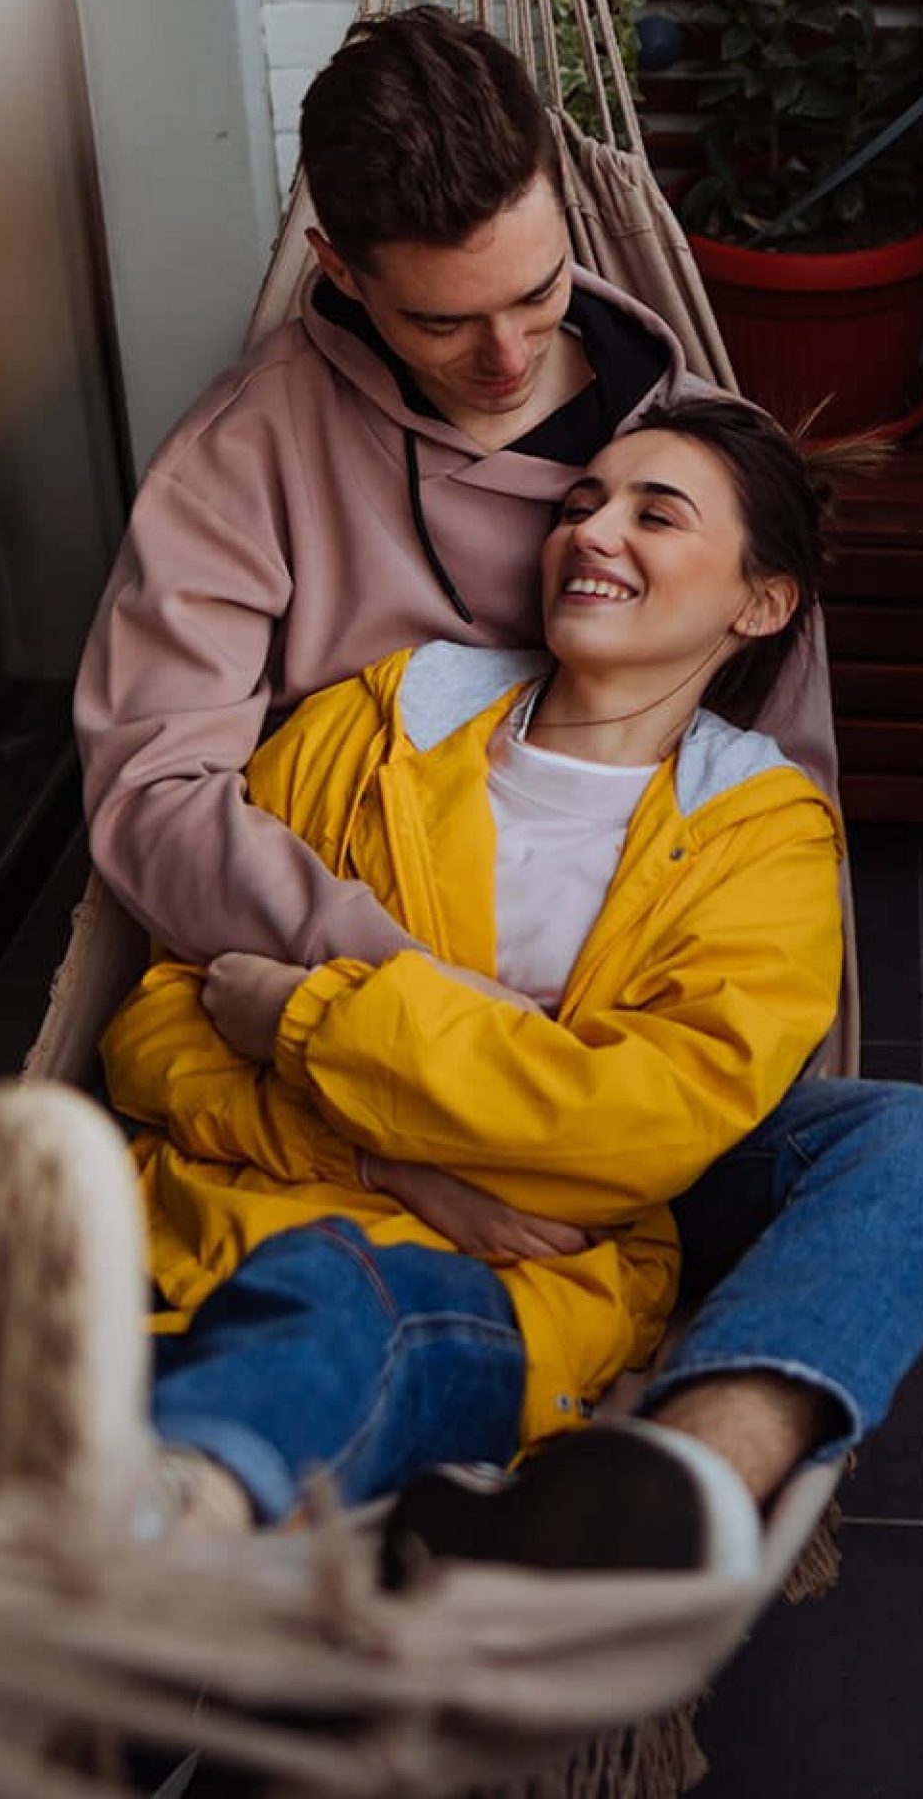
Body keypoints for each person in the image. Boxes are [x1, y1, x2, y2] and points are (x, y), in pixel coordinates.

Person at [74, 7, 923, 1567]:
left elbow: (782, 811)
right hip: (357, 1066)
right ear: (344, 269)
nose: (509, 359)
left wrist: (652, 1076)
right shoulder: (334, 664)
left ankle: (690, 1469)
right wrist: (401, 1061)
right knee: (345, 1302)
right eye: (444, 324)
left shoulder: (703, 471)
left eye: (536, 291)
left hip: (609, 1129)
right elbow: (160, 825)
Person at [112, 404, 840, 1566]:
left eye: (656, 515)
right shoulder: (379, 725)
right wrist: (382, 1160)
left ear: (760, 603)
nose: (594, 532)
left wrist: (307, 1017)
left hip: (486, 1297)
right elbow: (154, 1029)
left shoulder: (758, 837)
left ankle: (147, 1555)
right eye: (580, 505)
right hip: (193, 1237)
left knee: (336, 1290)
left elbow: (641, 1133)